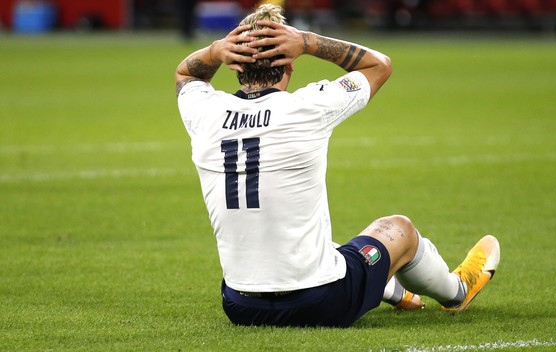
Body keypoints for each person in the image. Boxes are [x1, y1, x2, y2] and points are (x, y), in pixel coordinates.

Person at [175, 4, 500, 327]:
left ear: (236, 66)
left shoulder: (204, 111)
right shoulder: (309, 106)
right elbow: (379, 65)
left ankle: (391, 289)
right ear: (289, 64)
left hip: (240, 305)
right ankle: (457, 291)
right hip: (319, 301)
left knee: (315, 243)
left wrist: (216, 49)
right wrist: (308, 41)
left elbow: (186, 73)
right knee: (399, 229)